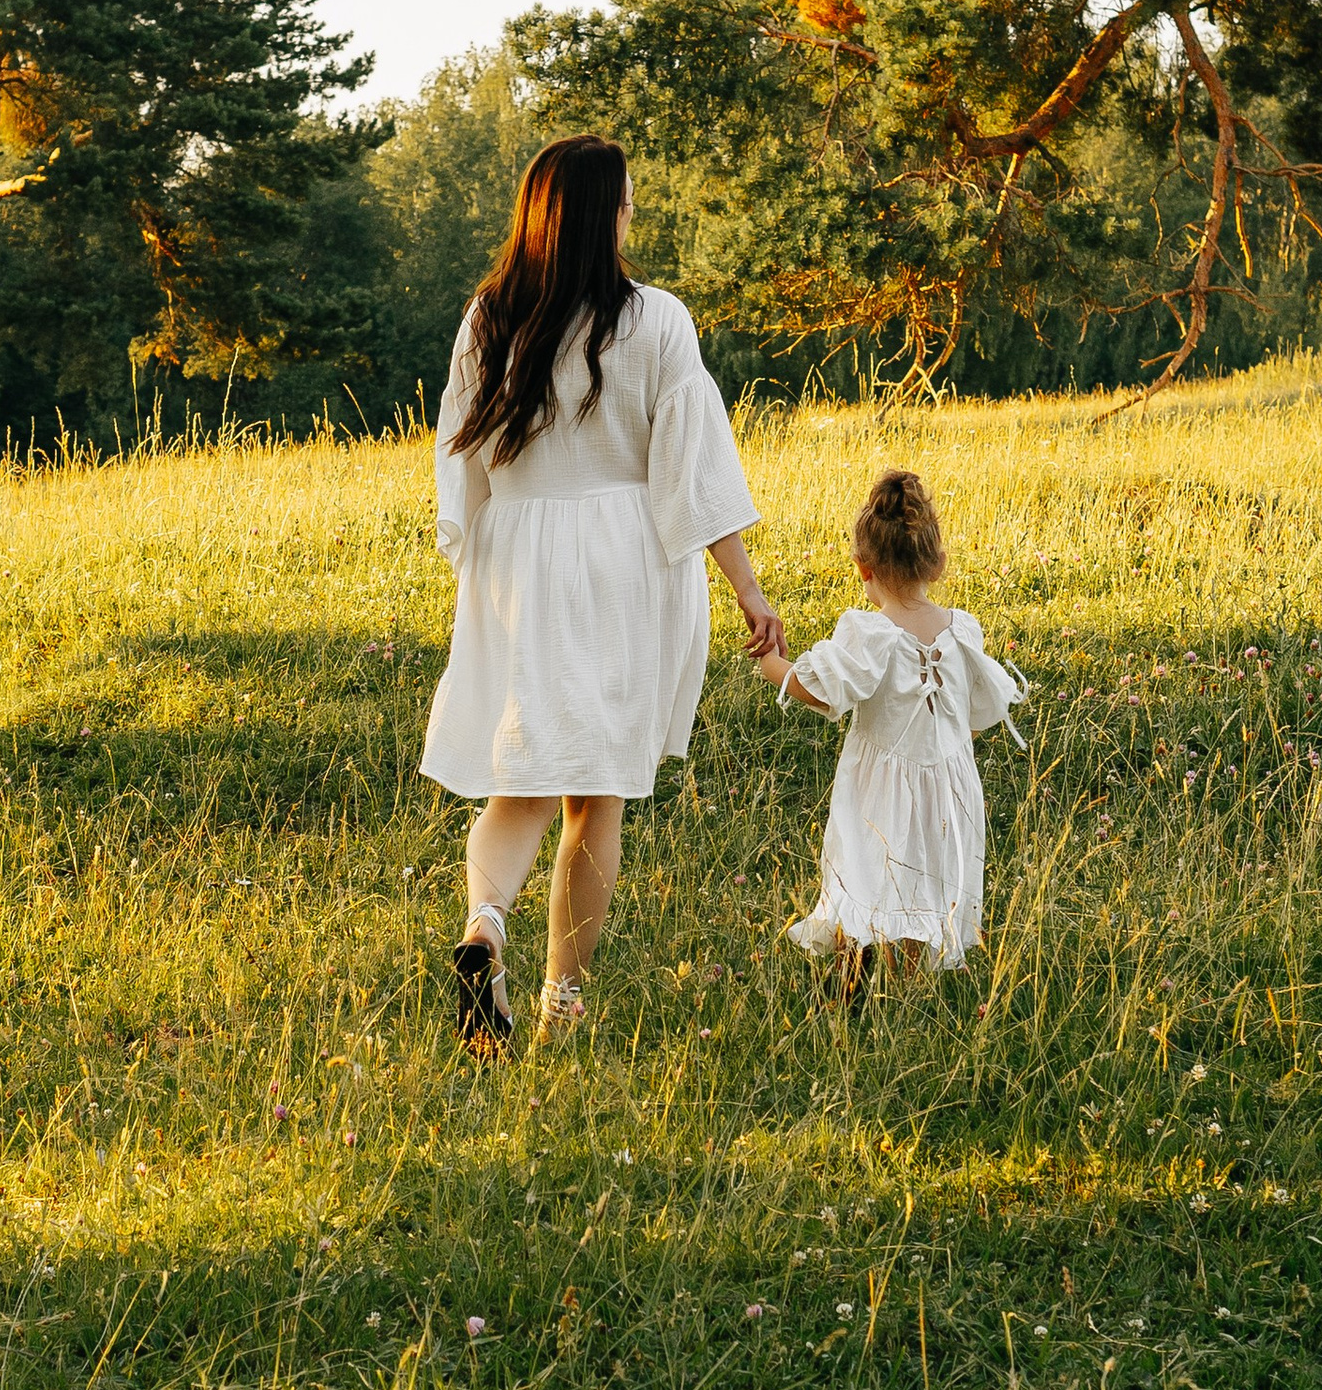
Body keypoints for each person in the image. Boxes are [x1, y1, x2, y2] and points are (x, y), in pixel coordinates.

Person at [421, 134, 777, 1048]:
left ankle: (485, 925)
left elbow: (457, 458)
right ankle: (559, 1009)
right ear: (596, 213)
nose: (630, 214)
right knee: (594, 800)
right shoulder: (655, 319)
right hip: (621, 563)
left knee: (522, 782)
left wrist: (481, 557)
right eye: (624, 200)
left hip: (520, 554)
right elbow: (691, 471)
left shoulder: (489, 315)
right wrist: (746, 588)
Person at [759, 466, 1027, 984]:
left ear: (863, 567)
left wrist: (771, 661)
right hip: (950, 793)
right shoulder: (962, 630)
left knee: (863, 877)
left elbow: (816, 688)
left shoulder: (871, 633)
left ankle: (850, 987)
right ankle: (905, 989)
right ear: (940, 564)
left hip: (877, 793)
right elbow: (976, 713)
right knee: (927, 885)